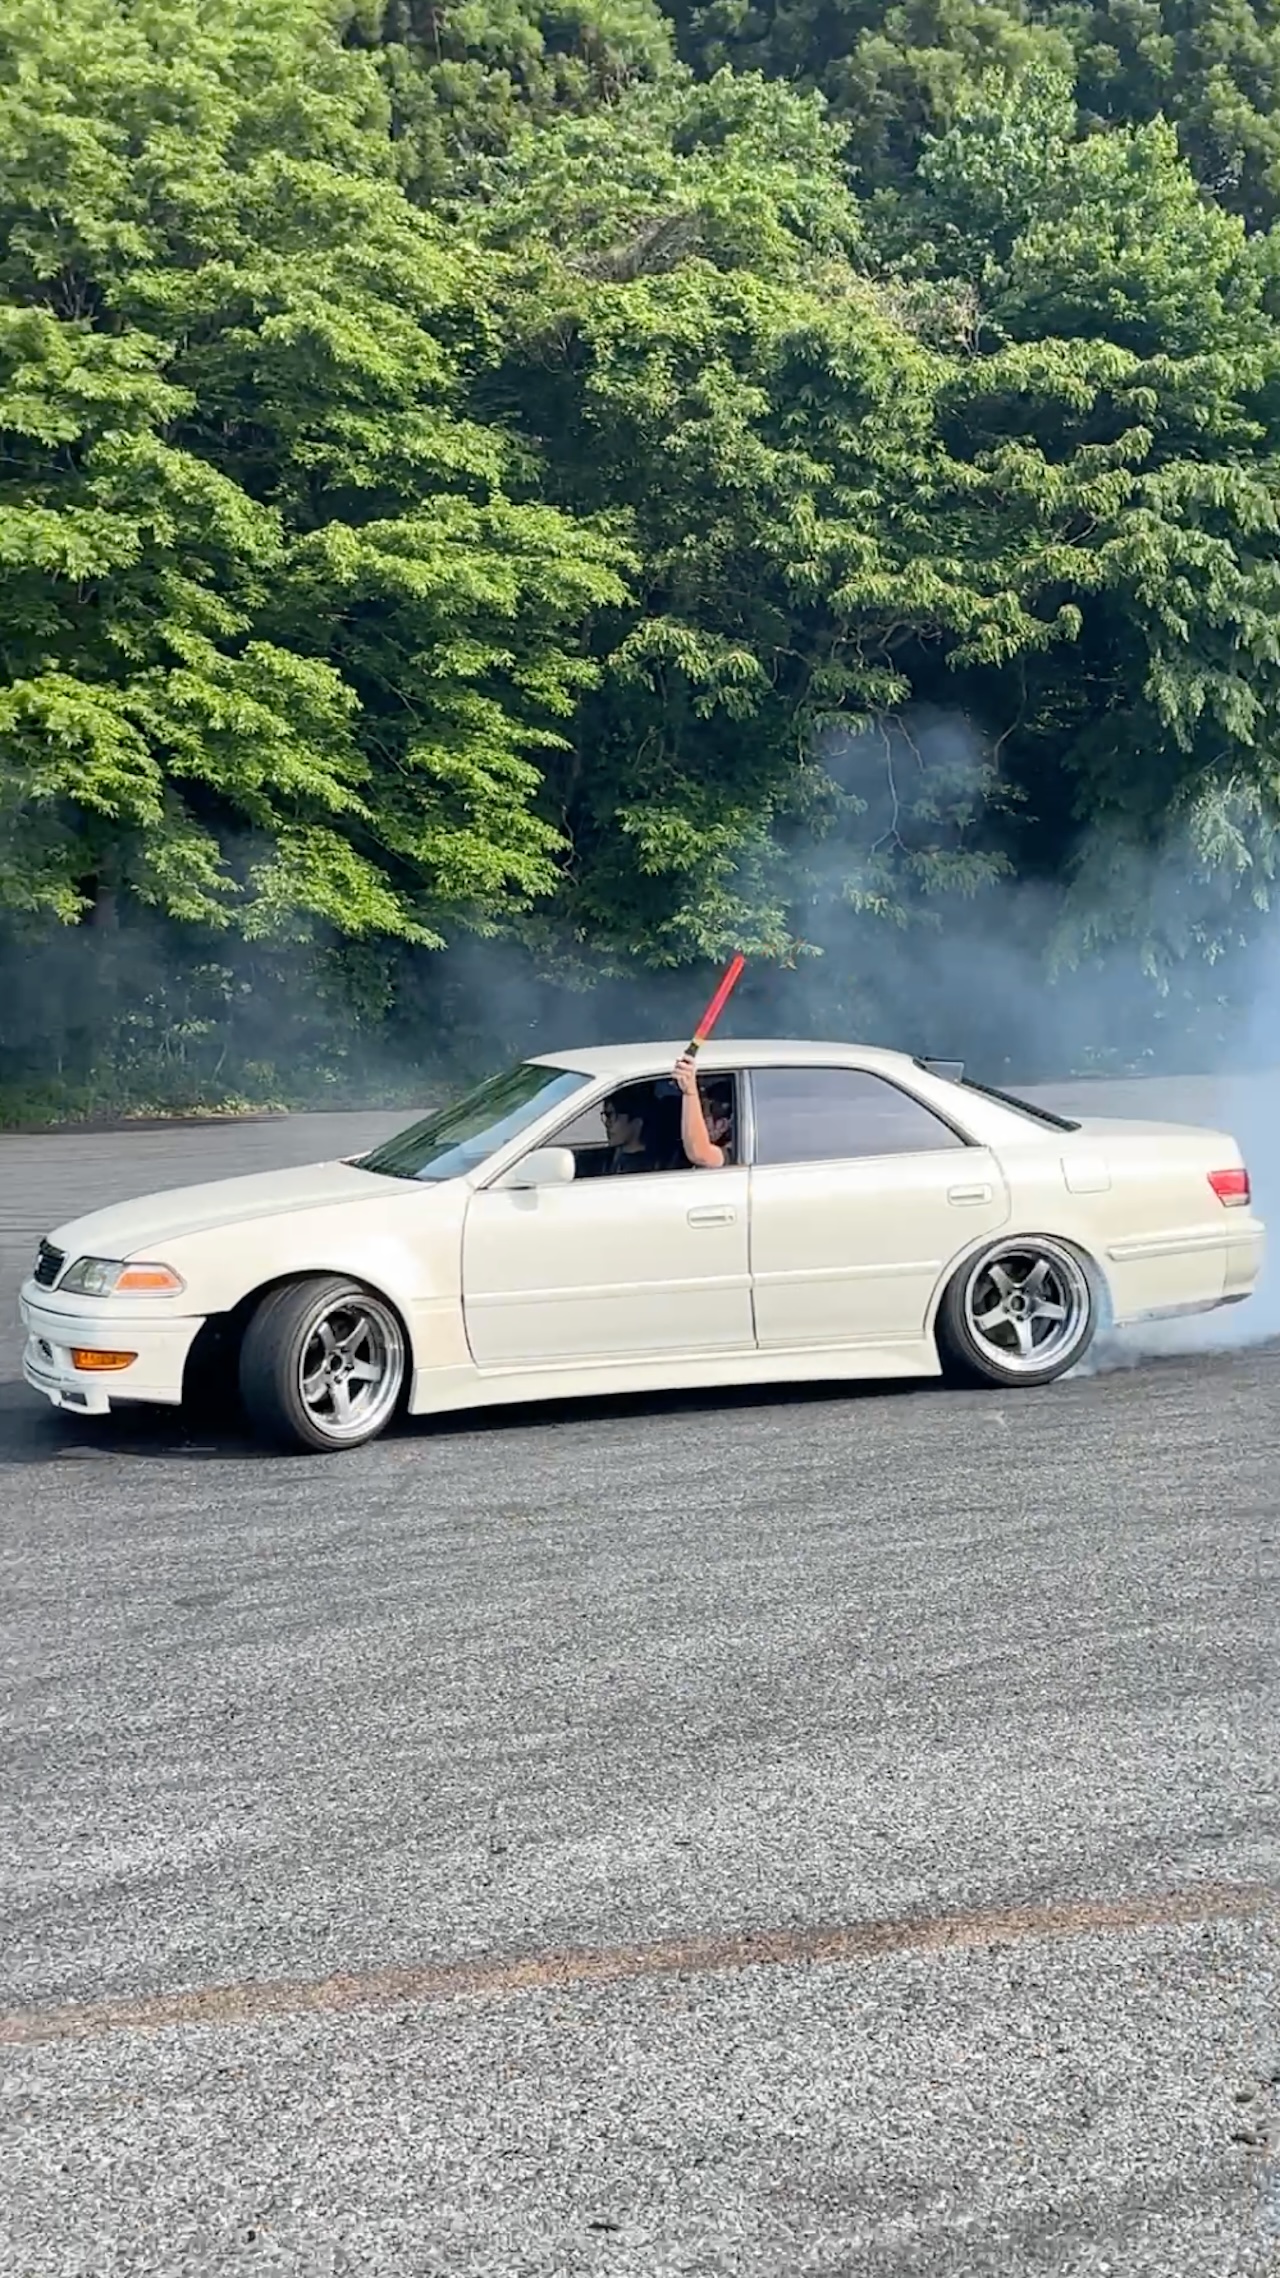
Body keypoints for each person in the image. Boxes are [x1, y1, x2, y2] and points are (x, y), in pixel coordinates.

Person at [673, 1056, 733, 1167]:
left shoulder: (735, 1153)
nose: (703, 1119)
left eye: (708, 1111)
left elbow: (701, 1154)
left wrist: (690, 1092)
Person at [600, 1085, 665, 1173]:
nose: (607, 1123)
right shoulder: (615, 1156)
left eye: (612, 1116)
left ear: (637, 1122)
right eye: (607, 1116)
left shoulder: (642, 1169)